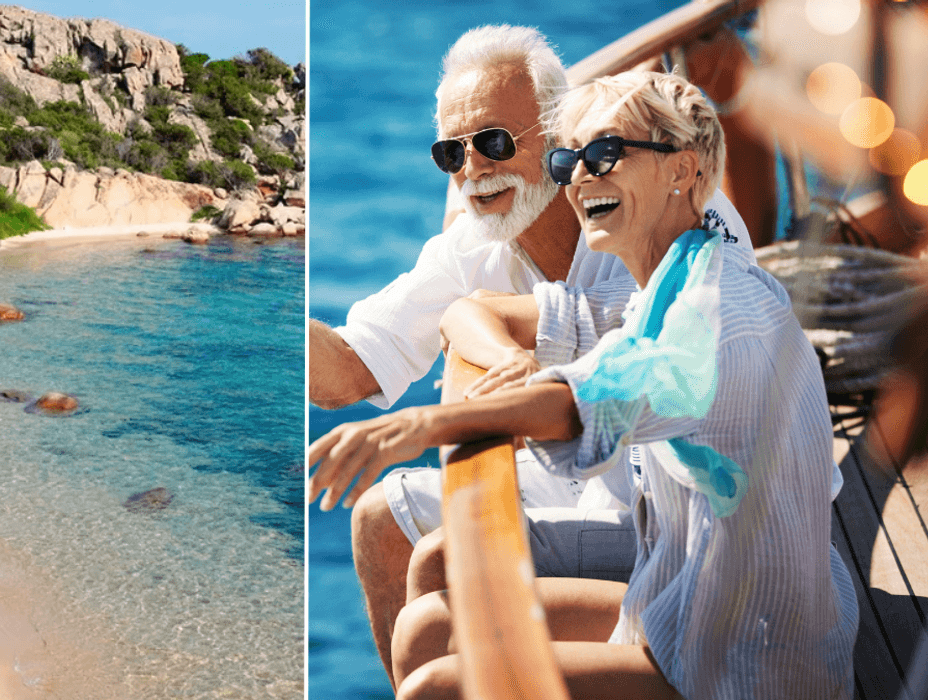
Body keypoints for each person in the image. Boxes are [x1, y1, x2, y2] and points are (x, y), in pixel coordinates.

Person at [310, 69, 859, 699]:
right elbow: (490, 315)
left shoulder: (715, 314)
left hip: (751, 657)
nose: (580, 176)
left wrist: (420, 425)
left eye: (605, 155)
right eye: (570, 158)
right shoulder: (665, 279)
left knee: (438, 685)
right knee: (429, 626)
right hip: (681, 597)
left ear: (682, 171)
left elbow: (586, 402)